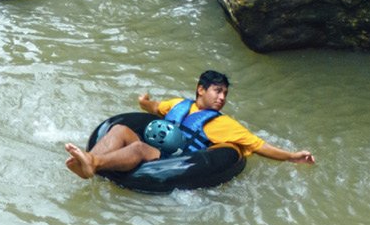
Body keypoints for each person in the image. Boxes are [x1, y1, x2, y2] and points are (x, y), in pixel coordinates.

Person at [65, 69, 315, 179]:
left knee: (140, 149)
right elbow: (155, 108)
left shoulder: (223, 124)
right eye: (217, 91)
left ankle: (94, 164)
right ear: (201, 89)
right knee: (120, 129)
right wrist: (145, 102)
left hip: (175, 160)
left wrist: (292, 156)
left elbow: (259, 145)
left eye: (225, 94)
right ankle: (88, 162)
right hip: (159, 148)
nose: (222, 98)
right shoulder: (177, 104)